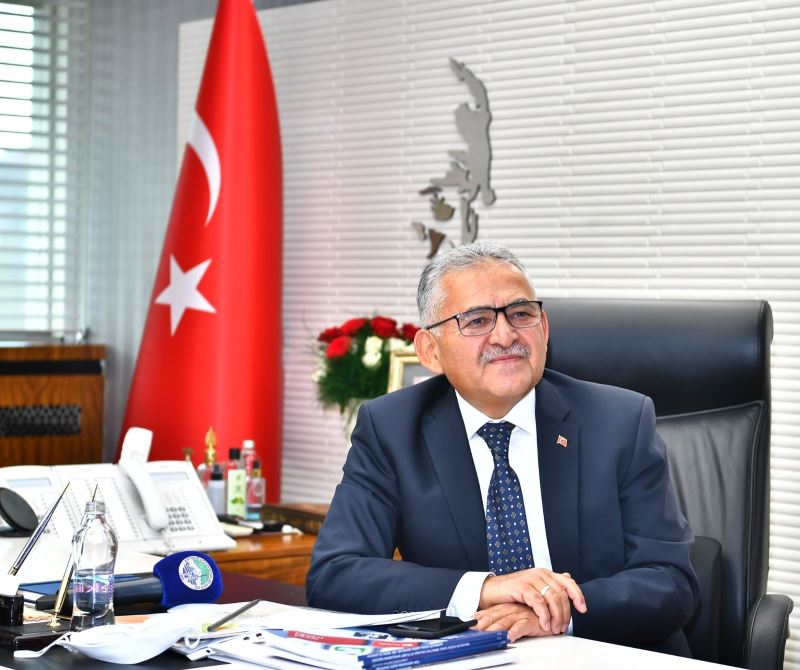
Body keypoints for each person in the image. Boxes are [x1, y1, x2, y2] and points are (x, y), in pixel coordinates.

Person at [306, 241, 699, 656]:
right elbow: (335, 574)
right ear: (430, 351)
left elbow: (671, 581)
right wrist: (484, 588)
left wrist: (557, 612)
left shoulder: (619, 421)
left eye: (521, 314)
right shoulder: (391, 428)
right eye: (477, 320)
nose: (506, 334)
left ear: (544, 329)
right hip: (476, 658)